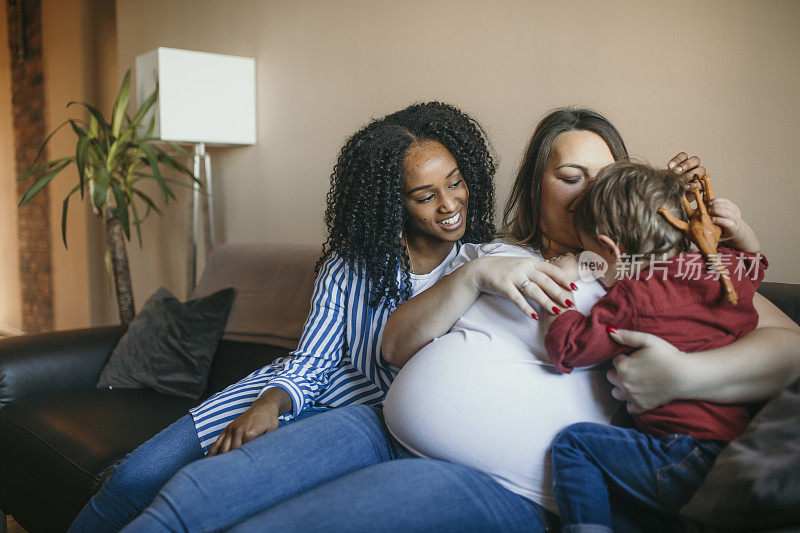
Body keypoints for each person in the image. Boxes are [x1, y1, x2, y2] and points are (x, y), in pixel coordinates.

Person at [120, 108, 800, 532]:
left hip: (490, 475)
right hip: (379, 421)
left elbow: (789, 345)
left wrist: (684, 371)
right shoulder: (489, 251)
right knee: (194, 496)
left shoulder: (654, 270)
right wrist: (477, 276)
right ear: (537, 185)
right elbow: (392, 343)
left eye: (605, 173)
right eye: (570, 174)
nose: (591, 190)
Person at [69, 101, 524, 532]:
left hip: (352, 429)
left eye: (456, 182)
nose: (449, 204)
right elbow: (313, 361)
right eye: (425, 195)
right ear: (391, 202)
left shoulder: (477, 268)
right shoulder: (351, 265)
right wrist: (267, 404)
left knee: (222, 504)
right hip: (285, 392)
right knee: (132, 478)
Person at [544, 161, 766, 531]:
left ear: (611, 250)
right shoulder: (720, 268)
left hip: (684, 457)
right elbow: (754, 263)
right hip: (732, 458)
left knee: (575, 444)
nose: (594, 272)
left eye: (592, 260)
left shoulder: (634, 295)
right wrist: (739, 230)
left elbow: (568, 349)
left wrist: (561, 284)